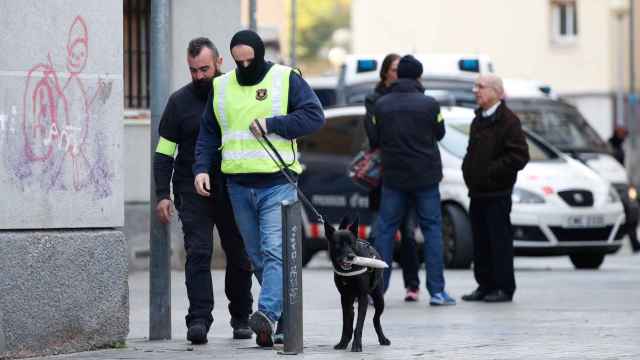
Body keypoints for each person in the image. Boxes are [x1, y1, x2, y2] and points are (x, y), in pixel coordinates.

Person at [193, 30, 324, 347]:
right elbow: (209, 133)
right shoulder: (221, 87)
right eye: (239, 61)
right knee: (257, 257)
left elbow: (314, 116)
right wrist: (200, 169)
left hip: (277, 182)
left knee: (274, 253)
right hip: (238, 185)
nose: (245, 65)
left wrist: (273, 123)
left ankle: (265, 314)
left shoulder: (285, 78)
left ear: (261, 54)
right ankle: (280, 323)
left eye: (250, 60)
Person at [153, 37, 254, 344]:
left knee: (238, 253)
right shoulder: (178, 102)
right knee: (198, 252)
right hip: (190, 188)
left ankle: (241, 317)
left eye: (204, 69)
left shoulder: (235, 94)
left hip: (232, 185)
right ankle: (198, 320)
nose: (198, 76)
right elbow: (164, 153)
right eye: (193, 70)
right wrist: (162, 194)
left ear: (220, 63)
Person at [372, 55, 456, 306]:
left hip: (393, 177)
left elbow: (375, 138)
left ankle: (378, 291)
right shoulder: (430, 105)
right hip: (426, 177)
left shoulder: (381, 105)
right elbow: (439, 133)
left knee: (385, 232)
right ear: (419, 76)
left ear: (398, 76)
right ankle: (437, 292)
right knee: (432, 231)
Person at [461, 74, 530, 303]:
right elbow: (472, 153)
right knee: (480, 241)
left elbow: (519, 156)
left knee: (498, 241)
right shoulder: (478, 118)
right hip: (477, 192)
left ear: (496, 92)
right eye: (475, 86)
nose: (476, 91)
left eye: (480, 87)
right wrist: (469, 171)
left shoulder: (509, 121)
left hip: (497, 192)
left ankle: (503, 287)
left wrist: (490, 172)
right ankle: (485, 285)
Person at [364, 53, 421, 302]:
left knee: (408, 232)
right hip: (383, 175)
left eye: (401, 69)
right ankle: (374, 284)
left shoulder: (416, 95)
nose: (398, 73)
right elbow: (374, 136)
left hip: (408, 173)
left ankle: (412, 284)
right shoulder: (375, 99)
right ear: (385, 71)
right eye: (394, 68)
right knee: (379, 233)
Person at [608, 127, 640, 253]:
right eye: (622, 134)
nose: (624, 137)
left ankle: (633, 242)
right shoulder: (609, 147)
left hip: (623, 184)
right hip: (614, 185)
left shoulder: (620, 147)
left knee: (632, 212)